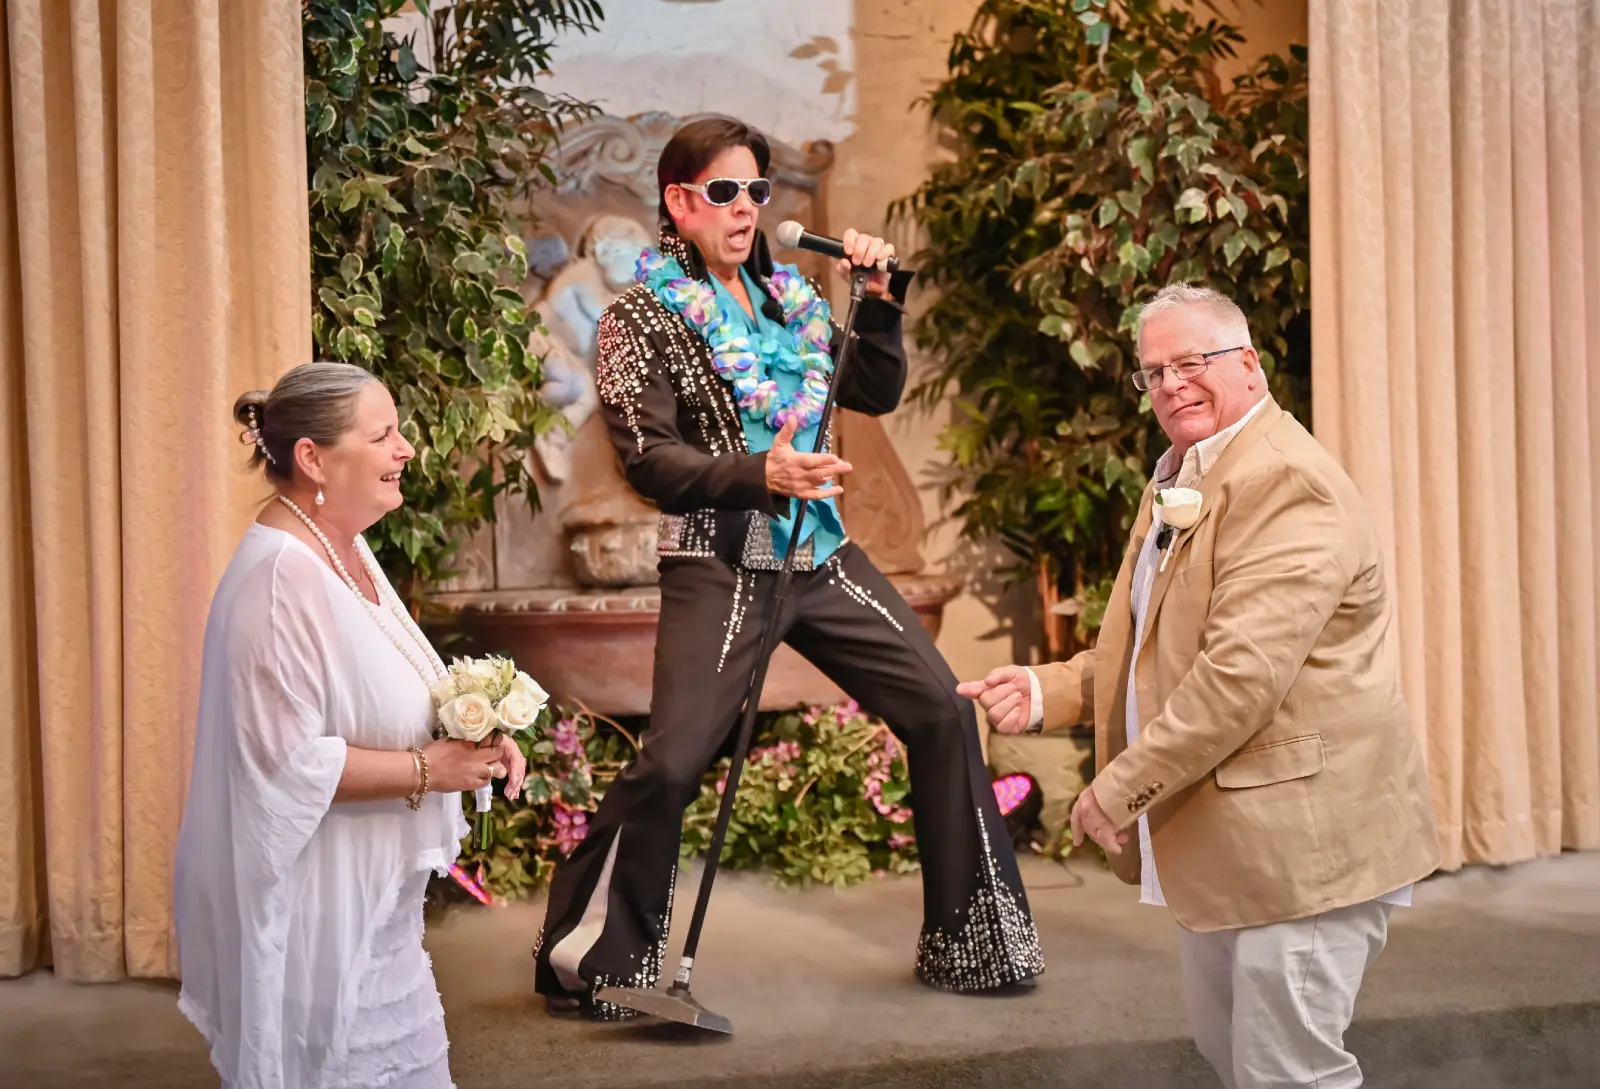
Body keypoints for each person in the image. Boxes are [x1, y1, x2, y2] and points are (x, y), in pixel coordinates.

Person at [531, 117, 1044, 1018]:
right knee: (673, 761)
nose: (745, 208)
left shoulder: (794, 302)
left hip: (819, 554)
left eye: (757, 192)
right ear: (680, 201)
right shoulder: (635, 319)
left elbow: (874, 391)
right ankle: (590, 954)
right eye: (724, 192)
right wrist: (758, 470)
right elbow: (650, 461)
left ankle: (973, 941)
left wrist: (876, 299)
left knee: (940, 707)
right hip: (721, 561)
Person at [961, 283, 1440, 1089]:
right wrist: (1052, 690)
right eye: (1153, 371)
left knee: (1289, 1073)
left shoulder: (1287, 481)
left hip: (1303, 846)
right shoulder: (1184, 472)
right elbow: (1162, 642)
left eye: (1193, 361)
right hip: (1233, 845)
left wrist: (1117, 789)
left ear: (1249, 364)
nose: (1171, 383)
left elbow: (1238, 679)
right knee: (1235, 1058)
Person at [175, 362, 528, 1089]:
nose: (406, 449)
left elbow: (390, 680)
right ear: (313, 458)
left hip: (377, 917)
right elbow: (284, 766)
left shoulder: (343, 543)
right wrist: (433, 770)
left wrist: (480, 732)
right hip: (320, 924)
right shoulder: (279, 580)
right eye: (384, 434)